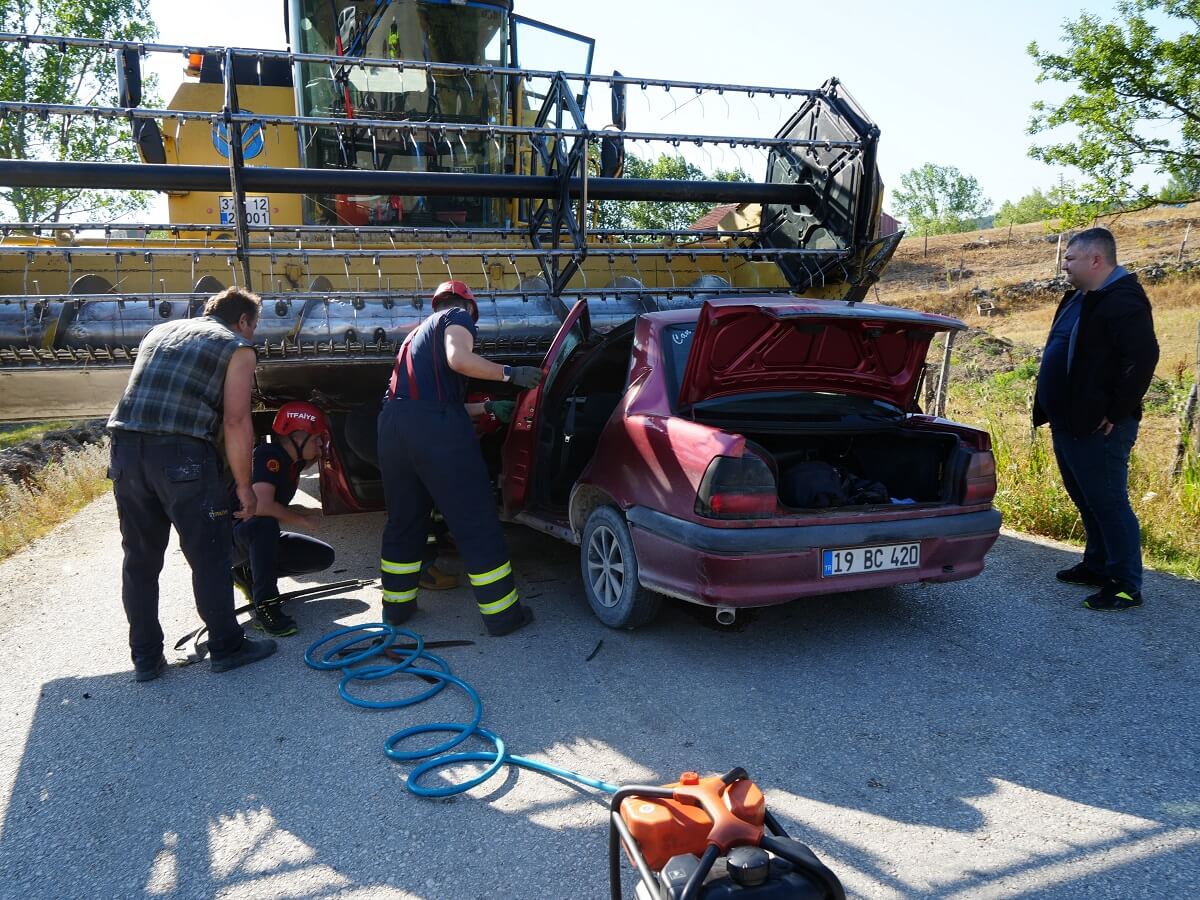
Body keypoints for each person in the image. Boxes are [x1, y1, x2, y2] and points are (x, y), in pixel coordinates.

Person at [107, 288, 277, 681]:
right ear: (244, 321)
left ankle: (146, 659)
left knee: (140, 561)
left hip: (125, 451)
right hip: (181, 455)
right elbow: (236, 422)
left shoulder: (159, 332)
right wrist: (244, 486)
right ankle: (227, 647)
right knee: (209, 555)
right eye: (254, 326)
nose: (252, 334)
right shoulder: (237, 347)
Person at [376, 279, 540, 635]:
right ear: (468, 307)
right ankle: (503, 615)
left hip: (394, 425)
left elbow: (430, 401)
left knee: (405, 521)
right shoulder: (456, 316)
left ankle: (396, 609)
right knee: (475, 518)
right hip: (433, 428)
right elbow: (459, 359)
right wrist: (509, 374)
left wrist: (487, 407)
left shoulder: (415, 336)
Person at [1033, 227, 1159, 610]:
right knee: (1086, 497)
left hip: (1099, 425)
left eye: (1070, 258)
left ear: (1096, 260)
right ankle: (1097, 564)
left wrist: (1116, 411)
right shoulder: (1080, 298)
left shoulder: (1124, 300)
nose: (1064, 265)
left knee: (1108, 501)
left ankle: (1125, 584)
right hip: (1069, 420)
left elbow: (1143, 359)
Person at [231, 401, 337, 636]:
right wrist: (303, 521)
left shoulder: (290, 461)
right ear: (298, 438)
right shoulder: (269, 456)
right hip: (227, 541)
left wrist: (302, 511)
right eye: (317, 438)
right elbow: (261, 505)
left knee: (322, 556)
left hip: (250, 538)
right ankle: (266, 606)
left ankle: (246, 572)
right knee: (264, 524)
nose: (321, 443)